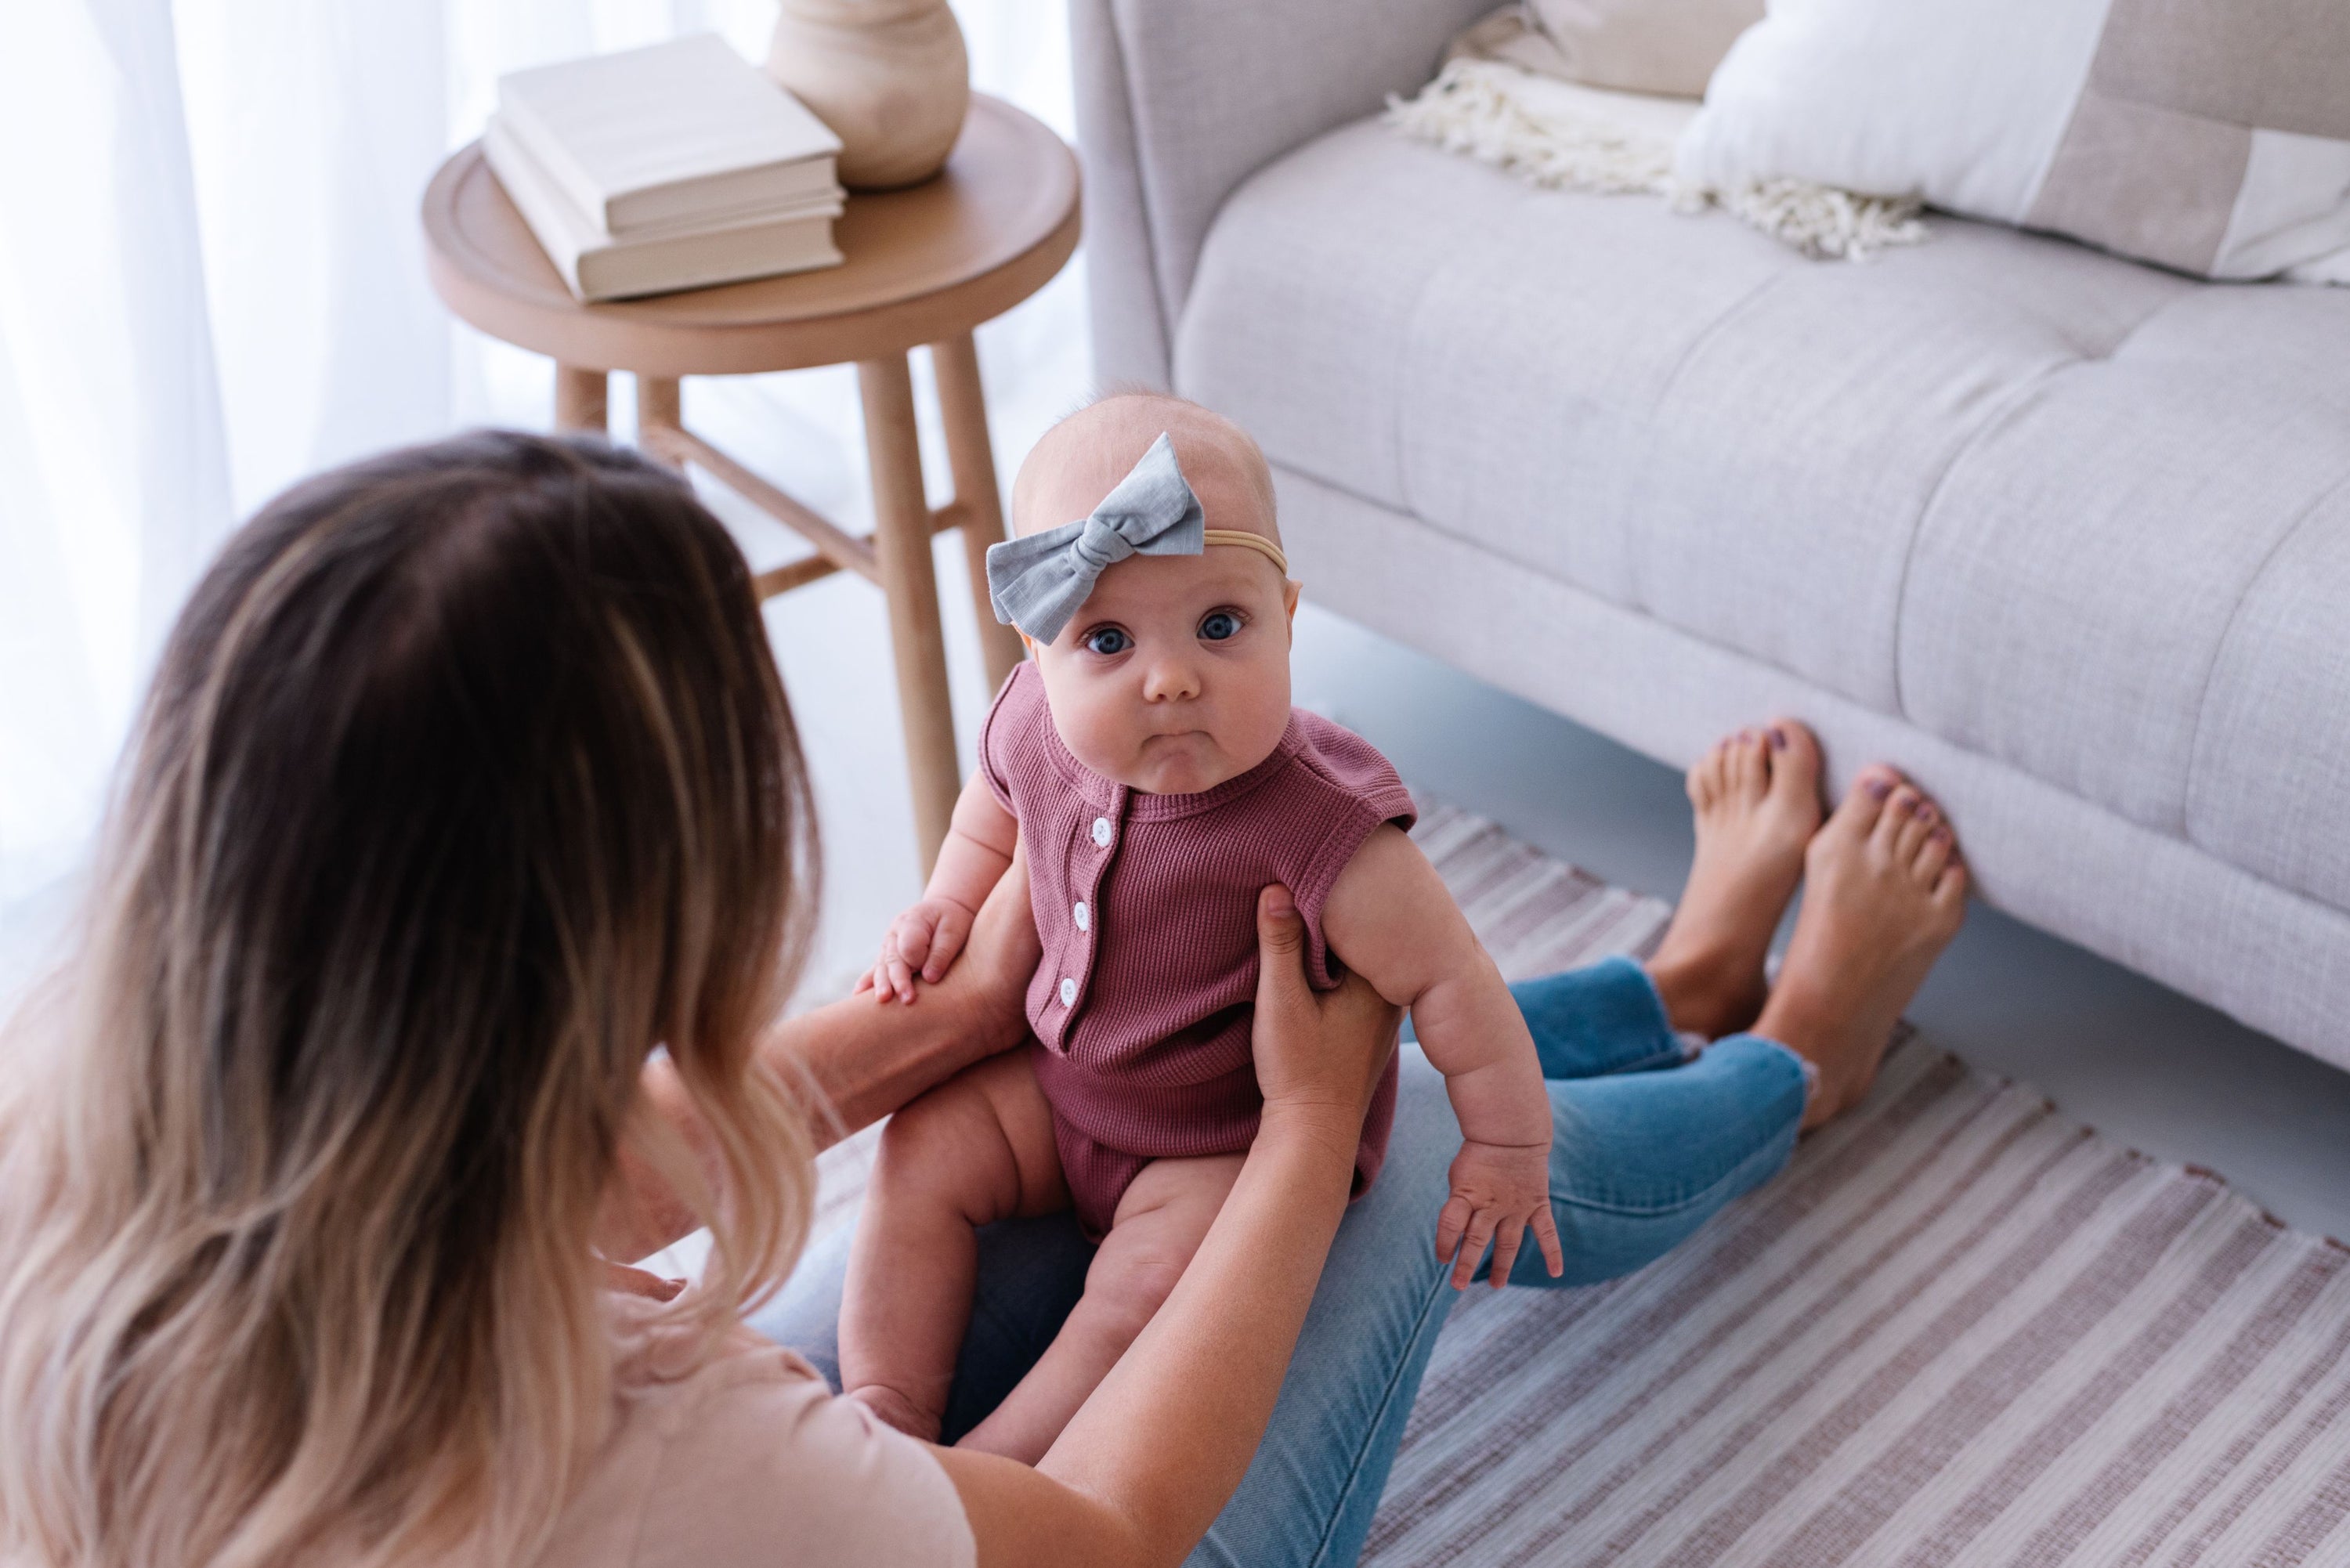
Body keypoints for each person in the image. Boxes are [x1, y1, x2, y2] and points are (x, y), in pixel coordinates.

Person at [0, 428, 1964, 1568]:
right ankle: (1790, 1054)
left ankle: (1667, 978)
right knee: (1410, 1127)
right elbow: (1098, 1545)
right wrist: (1295, 1130)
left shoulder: (67, 1106)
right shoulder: (655, 1458)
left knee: (1054, 1166)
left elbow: (548, 1180)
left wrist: (965, 1007)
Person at [841, 402, 1567, 1461]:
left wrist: (1505, 1146)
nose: (1171, 677)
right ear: (1038, 651)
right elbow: (985, 812)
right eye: (1107, 638)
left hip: (1216, 1141)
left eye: (1220, 625)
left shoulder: (1322, 826)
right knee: (918, 1148)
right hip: (1058, 1086)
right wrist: (950, 904)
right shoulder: (1031, 720)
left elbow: (1452, 981)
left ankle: (983, 1476)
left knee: (1142, 1301)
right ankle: (882, 1406)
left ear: (1288, 611)